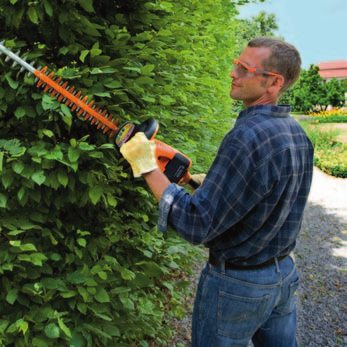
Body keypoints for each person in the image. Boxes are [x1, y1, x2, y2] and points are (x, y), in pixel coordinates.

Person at [120, 37, 314, 347]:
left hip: (237, 286)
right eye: (237, 64)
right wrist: (199, 182)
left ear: (273, 83)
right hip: (283, 275)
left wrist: (147, 166)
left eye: (245, 68)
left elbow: (196, 224)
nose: (233, 73)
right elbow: (266, 191)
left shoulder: (245, 137)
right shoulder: (296, 133)